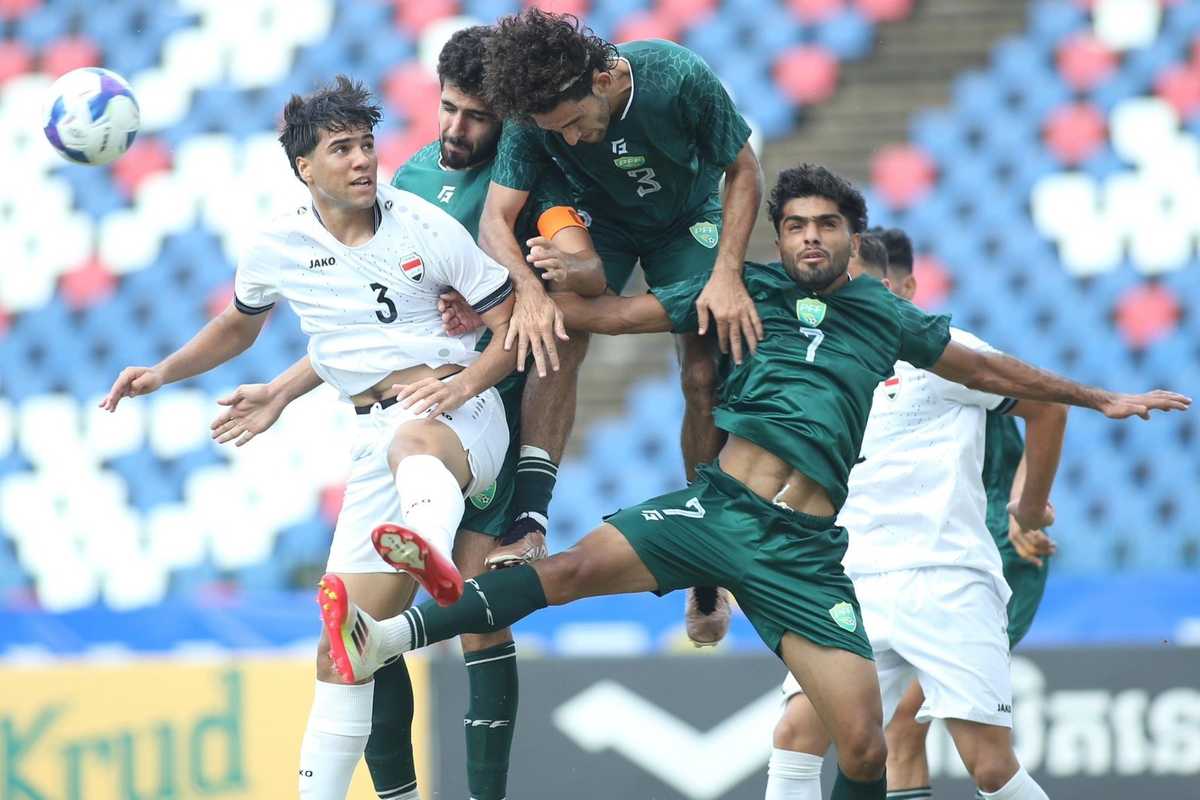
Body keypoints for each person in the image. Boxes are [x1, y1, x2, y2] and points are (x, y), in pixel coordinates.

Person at [313, 164, 1189, 800]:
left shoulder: (889, 320)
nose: (811, 236)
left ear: (852, 235)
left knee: (861, 747)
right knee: (566, 570)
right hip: (716, 506)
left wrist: (1101, 395)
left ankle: (394, 634)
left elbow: (1000, 376)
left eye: (828, 225)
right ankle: (388, 639)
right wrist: (519, 306)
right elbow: (611, 315)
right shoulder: (740, 291)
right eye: (797, 224)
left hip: (806, 552)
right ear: (780, 234)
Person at [205, 30, 605, 800]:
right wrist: (284, 390)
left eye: (477, 117)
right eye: (447, 110)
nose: (456, 130)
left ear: (513, 121)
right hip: (414, 414)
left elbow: (578, 271)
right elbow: (368, 327)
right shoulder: (412, 177)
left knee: (481, 612)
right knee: (358, 633)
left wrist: (553, 273)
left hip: (496, 402)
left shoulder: (539, 182)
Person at [100, 76, 521, 800]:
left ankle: (427, 547)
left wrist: (467, 382)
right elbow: (239, 324)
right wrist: (164, 373)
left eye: (366, 145)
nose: (362, 160)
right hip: (377, 435)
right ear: (305, 169)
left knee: (414, 441)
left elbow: (515, 324)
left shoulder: (423, 226)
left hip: (457, 411)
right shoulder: (279, 245)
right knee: (342, 651)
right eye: (341, 149)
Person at [475, 13, 765, 644]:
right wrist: (527, 291)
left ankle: (706, 554)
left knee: (701, 373)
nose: (573, 140)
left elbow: (743, 170)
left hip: (685, 220)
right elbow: (496, 219)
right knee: (551, 331)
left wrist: (727, 275)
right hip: (594, 223)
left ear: (603, 78)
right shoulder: (535, 116)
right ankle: (528, 518)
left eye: (577, 122)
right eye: (560, 133)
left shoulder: (676, 76)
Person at [767, 226, 1067, 800]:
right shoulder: (821, 367)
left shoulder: (948, 353)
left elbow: (1047, 408)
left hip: (945, 577)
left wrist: (1026, 511)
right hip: (853, 583)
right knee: (796, 734)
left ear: (894, 290)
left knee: (989, 766)